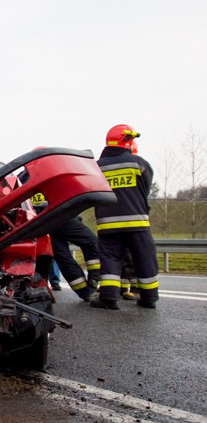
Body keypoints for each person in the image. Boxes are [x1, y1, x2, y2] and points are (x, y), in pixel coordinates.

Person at [90, 124, 158, 309]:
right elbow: (145, 189)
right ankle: (149, 298)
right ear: (127, 141)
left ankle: (109, 298)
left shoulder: (96, 167)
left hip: (107, 224)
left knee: (110, 260)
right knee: (144, 258)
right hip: (137, 222)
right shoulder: (139, 163)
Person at [49, 216, 101, 302]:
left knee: (63, 258)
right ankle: (94, 279)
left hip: (41, 222)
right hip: (60, 214)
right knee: (92, 243)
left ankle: (86, 292)